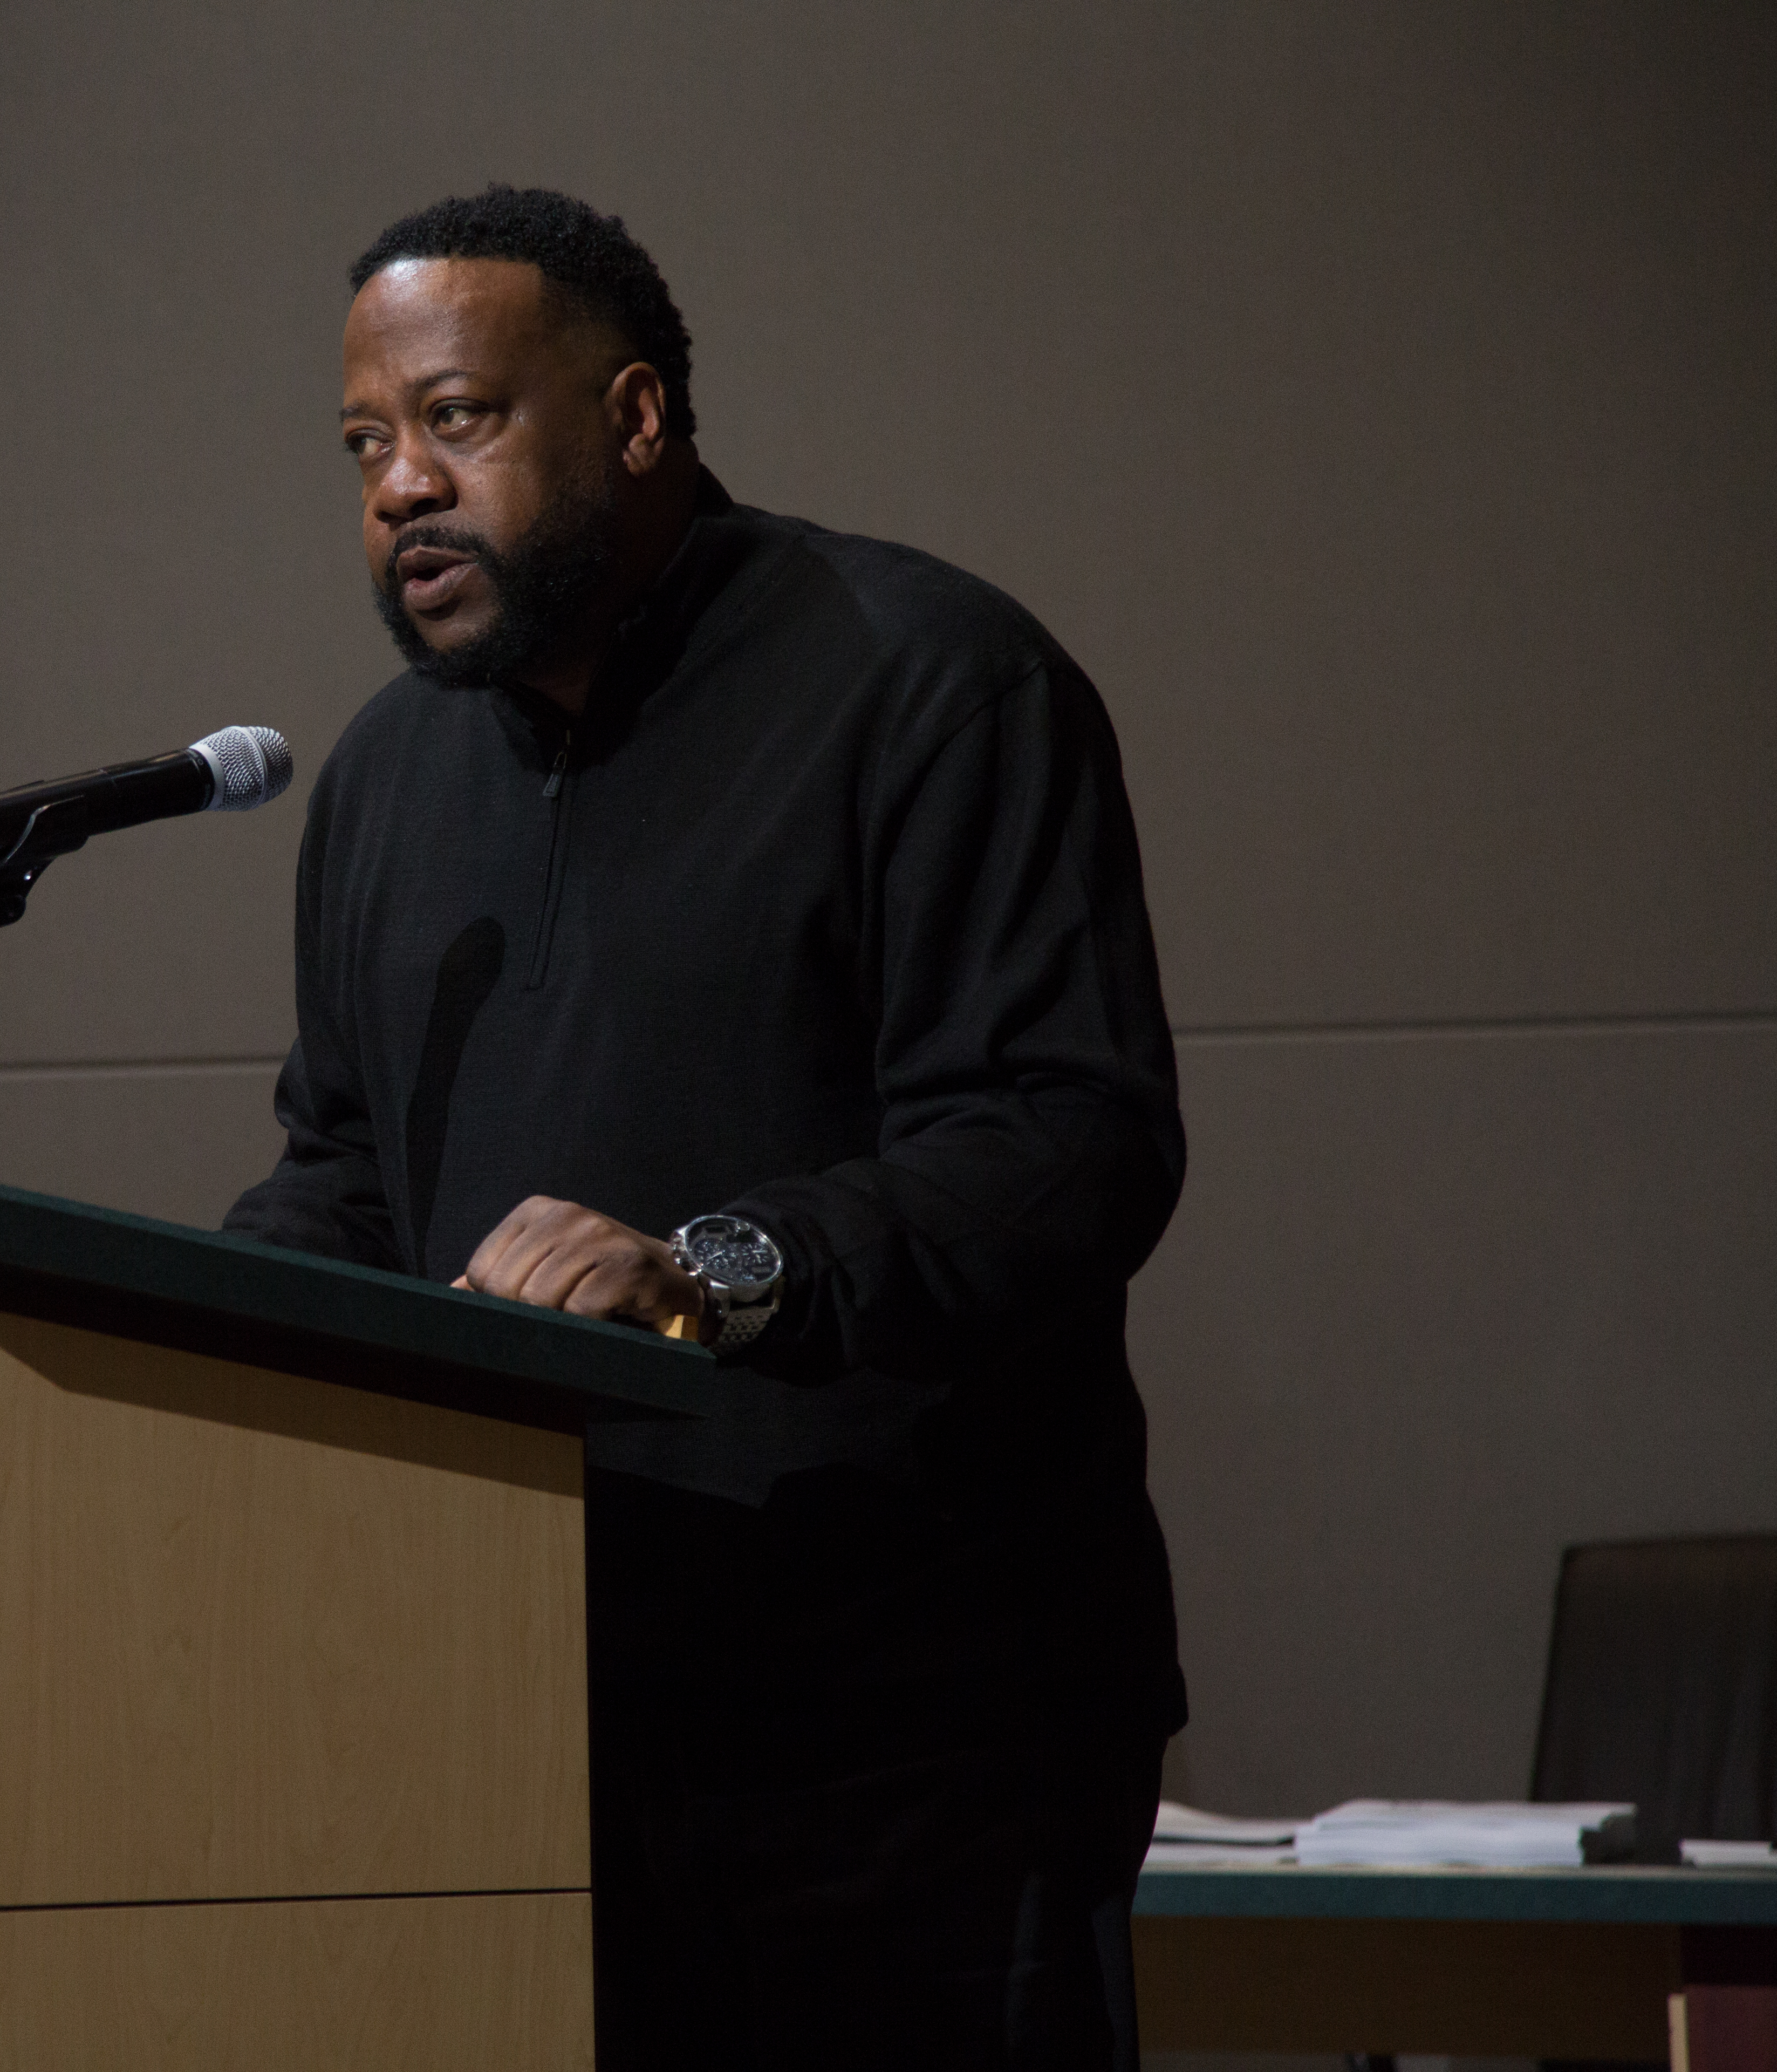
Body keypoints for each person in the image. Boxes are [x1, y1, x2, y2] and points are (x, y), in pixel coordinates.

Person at [224, 186, 1187, 2068]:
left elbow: (1070, 1136)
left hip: (910, 1737)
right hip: (521, 1723)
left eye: (458, 420)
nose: (400, 486)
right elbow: (344, 1177)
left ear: (638, 419)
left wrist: (719, 1271)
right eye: (364, 445)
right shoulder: (388, 782)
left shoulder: (928, 682)